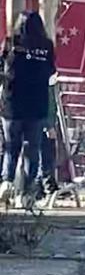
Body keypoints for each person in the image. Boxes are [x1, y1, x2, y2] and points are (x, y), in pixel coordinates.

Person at [0, 12, 57, 209]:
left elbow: (2, 67)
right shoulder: (47, 46)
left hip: (12, 105)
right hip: (37, 105)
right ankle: (27, 191)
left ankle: (6, 182)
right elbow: (51, 71)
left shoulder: (11, 43)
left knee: (11, 147)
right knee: (32, 149)